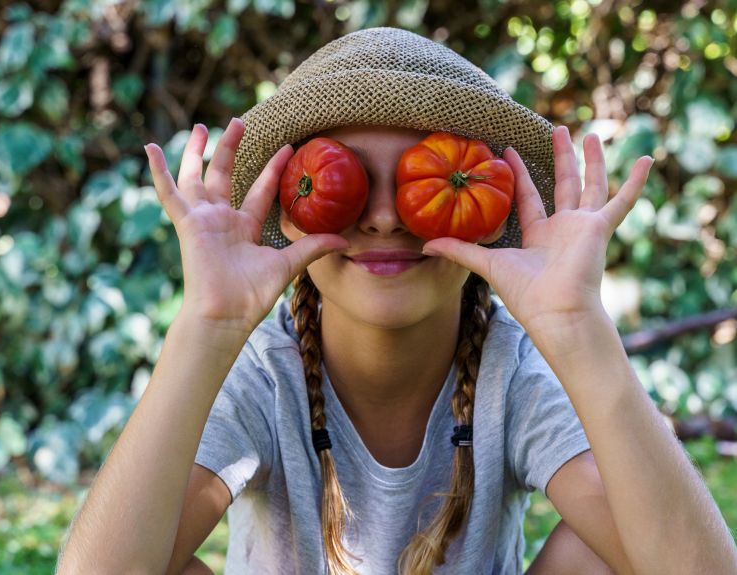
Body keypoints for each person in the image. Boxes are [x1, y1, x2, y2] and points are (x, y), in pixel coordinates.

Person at [57, 27, 737, 575]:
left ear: (487, 211)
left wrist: (576, 324)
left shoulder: (515, 373)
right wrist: (207, 323)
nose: (385, 219)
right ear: (291, 216)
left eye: (428, 179)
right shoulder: (266, 375)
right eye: (345, 183)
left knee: (610, 546)